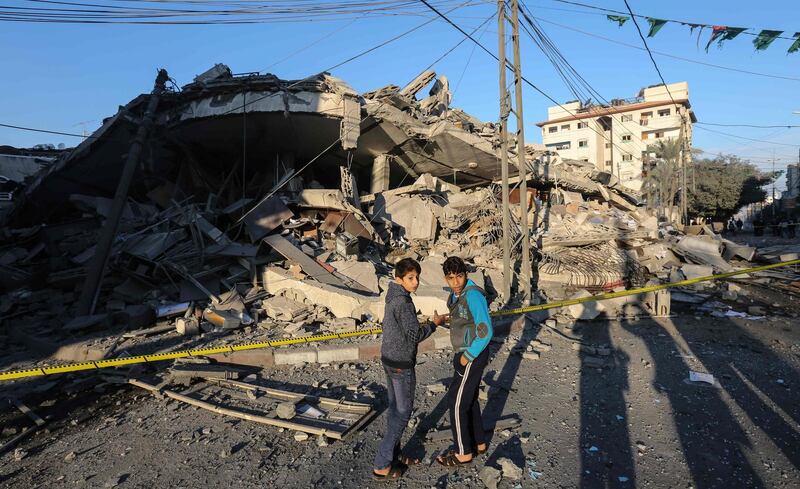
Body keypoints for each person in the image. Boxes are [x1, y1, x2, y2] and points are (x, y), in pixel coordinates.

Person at [373, 258, 446, 481]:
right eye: (410, 278)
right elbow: (415, 336)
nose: (415, 283)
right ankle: (382, 464)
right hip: (401, 364)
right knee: (402, 414)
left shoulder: (393, 296)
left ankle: (395, 454)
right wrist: (434, 324)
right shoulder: (403, 303)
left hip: (389, 359)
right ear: (399, 279)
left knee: (395, 410)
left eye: (416, 277)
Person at [436, 256, 493, 468]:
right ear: (446, 278)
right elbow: (464, 319)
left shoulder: (472, 296)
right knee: (469, 398)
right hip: (468, 352)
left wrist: (466, 357)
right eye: (451, 278)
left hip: (472, 354)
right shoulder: (457, 295)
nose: (456, 282)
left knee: (457, 402)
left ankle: (463, 452)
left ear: (465, 275)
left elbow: (485, 331)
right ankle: (479, 442)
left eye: (459, 276)